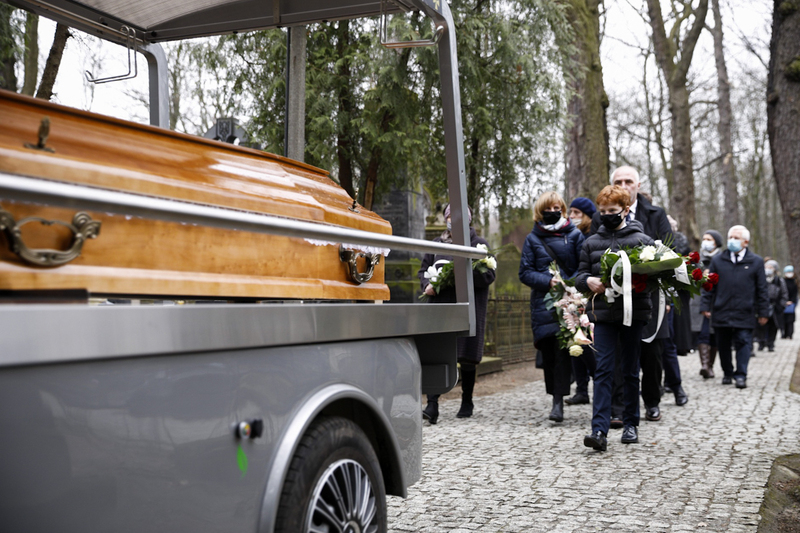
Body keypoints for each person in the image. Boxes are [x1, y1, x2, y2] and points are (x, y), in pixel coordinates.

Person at [591, 166, 681, 424]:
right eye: (618, 180)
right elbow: (593, 253)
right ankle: (618, 408)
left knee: (652, 352)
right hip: (612, 298)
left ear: (638, 185)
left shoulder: (655, 214)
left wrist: (665, 294)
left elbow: (668, 254)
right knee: (617, 354)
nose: (624, 184)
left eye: (628, 180)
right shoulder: (603, 217)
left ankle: (652, 401)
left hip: (648, 295)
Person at [576, 185, 654, 451]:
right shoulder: (590, 243)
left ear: (626, 210)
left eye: (613, 211)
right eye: (603, 211)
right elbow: (579, 276)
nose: (607, 215)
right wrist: (588, 280)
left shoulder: (642, 241)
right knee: (604, 370)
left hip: (635, 313)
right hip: (604, 314)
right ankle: (599, 430)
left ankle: (631, 423)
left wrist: (638, 284)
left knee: (631, 370)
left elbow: (655, 280)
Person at [418, 204, 496, 423]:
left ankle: (467, 399)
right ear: (446, 219)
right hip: (440, 307)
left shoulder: (479, 245)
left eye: (460, 216)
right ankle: (432, 405)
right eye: (451, 216)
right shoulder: (435, 244)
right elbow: (423, 269)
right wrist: (427, 284)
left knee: (466, 356)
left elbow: (488, 275)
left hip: (466, 306)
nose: (454, 220)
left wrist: (462, 273)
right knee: (439, 352)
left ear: (469, 219)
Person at [519, 192, 586, 422]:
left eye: (557, 207)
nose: (553, 211)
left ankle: (567, 400)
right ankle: (556, 399)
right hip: (544, 303)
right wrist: (547, 281)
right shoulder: (532, 239)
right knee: (551, 352)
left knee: (571, 350)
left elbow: (584, 265)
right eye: (549, 208)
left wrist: (570, 283)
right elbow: (525, 272)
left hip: (571, 301)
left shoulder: (575, 235)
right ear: (540, 211)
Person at [701, 225, 770, 388]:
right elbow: (709, 285)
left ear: (745, 242)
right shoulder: (718, 260)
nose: (732, 241)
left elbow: (762, 289)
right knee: (722, 344)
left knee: (743, 342)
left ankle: (741, 375)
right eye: (730, 237)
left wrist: (763, 312)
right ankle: (727, 372)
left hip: (745, 310)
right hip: (721, 310)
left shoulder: (756, 262)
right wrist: (705, 306)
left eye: (736, 238)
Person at [565, 197, 597, 406]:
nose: (572, 216)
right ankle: (581, 389)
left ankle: (600, 383)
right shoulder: (572, 236)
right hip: (574, 294)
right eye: (571, 212)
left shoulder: (593, 236)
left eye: (577, 213)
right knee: (576, 342)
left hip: (590, 295)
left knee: (589, 343)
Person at [692, 230, 724, 378]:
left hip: (717, 301)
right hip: (700, 302)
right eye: (704, 238)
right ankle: (704, 366)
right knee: (703, 333)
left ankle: (710, 365)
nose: (705, 241)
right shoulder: (697, 259)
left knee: (714, 335)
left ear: (716, 242)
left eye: (709, 239)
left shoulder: (723, 259)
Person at [761, 260, 788, 352]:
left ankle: (771, 343)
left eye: (770, 267)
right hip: (763, 305)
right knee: (762, 325)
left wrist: (781, 305)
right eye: (766, 267)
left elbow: (784, 294)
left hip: (775, 306)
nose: (768, 269)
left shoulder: (779, 281)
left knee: (773, 326)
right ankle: (761, 342)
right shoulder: (760, 279)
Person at [784, 266, 797, 340]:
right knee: (784, 319)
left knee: (790, 320)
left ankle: (790, 334)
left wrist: (792, 301)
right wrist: (785, 301)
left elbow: (795, 293)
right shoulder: (782, 281)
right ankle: (784, 333)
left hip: (791, 303)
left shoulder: (794, 282)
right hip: (784, 302)